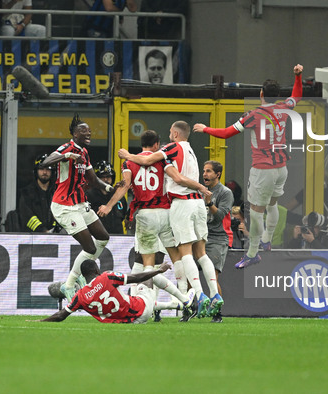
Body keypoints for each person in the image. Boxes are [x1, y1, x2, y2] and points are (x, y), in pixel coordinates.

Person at [193, 63, 304, 269]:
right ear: (276, 95)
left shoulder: (253, 115)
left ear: (261, 94)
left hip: (263, 169)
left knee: (256, 212)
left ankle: (253, 253)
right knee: (273, 204)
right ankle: (267, 240)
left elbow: (227, 133)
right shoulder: (284, 107)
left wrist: (205, 128)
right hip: (281, 167)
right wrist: (297, 76)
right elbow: (296, 96)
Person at [100, 129, 207, 322]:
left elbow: (125, 186)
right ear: (157, 144)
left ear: (141, 143)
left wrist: (108, 206)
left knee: (146, 265)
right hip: (166, 213)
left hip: (145, 215)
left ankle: (145, 309)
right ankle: (185, 301)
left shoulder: (129, 161)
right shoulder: (162, 159)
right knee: (178, 258)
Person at [41, 113, 115, 301]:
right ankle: (69, 285)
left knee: (103, 237)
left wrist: (108, 187)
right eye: (84, 131)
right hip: (64, 205)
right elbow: (46, 162)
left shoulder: (84, 152)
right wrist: (67, 155)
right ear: (75, 134)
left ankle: (80, 277)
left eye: (89, 130)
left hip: (80, 203)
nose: (88, 133)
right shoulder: (68, 147)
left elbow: (92, 179)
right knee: (89, 247)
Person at [37, 260, 191, 324]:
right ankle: (184, 300)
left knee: (132, 297)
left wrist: (40, 322)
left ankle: (176, 305)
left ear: (83, 276)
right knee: (148, 271)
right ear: (96, 269)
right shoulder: (106, 277)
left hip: (129, 322)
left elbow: (61, 315)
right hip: (141, 309)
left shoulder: (81, 296)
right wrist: (159, 270)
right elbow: (136, 277)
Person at [202, 160, 233, 323]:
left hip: (218, 238)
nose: (204, 174)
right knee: (187, 275)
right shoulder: (200, 189)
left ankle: (217, 313)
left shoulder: (225, 192)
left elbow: (220, 215)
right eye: (204, 171)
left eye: (208, 171)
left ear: (217, 174)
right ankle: (189, 309)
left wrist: (209, 202)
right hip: (200, 237)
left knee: (211, 277)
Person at [18, 154, 57, 233]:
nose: (45, 172)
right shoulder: (26, 192)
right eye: (41, 169)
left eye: (48, 169)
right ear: (36, 171)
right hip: (32, 237)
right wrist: (43, 231)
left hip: (56, 236)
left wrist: (55, 229)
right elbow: (26, 215)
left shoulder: (57, 192)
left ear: (52, 172)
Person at [86, 161, 126, 234]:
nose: (105, 180)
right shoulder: (89, 195)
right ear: (97, 178)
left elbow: (123, 215)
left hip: (118, 239)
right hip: (96, 238)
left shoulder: (119, 196)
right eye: (102, 177)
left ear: (112, 177)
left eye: (108, 176)